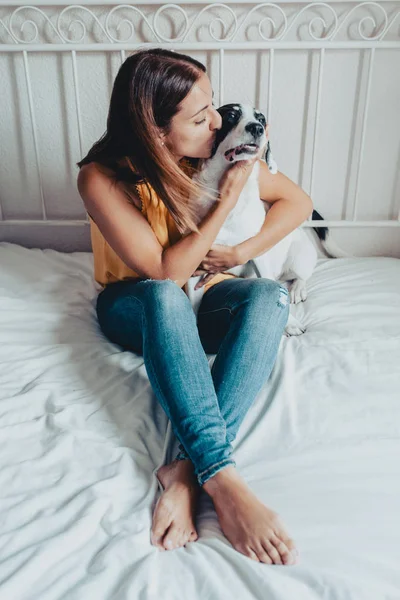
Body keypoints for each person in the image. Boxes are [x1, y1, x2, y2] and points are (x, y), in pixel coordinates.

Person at [77, 48, 313, 565]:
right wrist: (226, 200)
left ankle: (185, 471)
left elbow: (297, 202)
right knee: (164, 294)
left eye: (212, 108)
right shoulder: (102, 177)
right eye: (200, 115)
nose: (216, 122)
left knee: (270, 295)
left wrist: (240, 253)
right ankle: (223, 479)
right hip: (138, 307)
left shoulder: (208, 153)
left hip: (203, 301)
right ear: (157, 130)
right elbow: (165, 274)